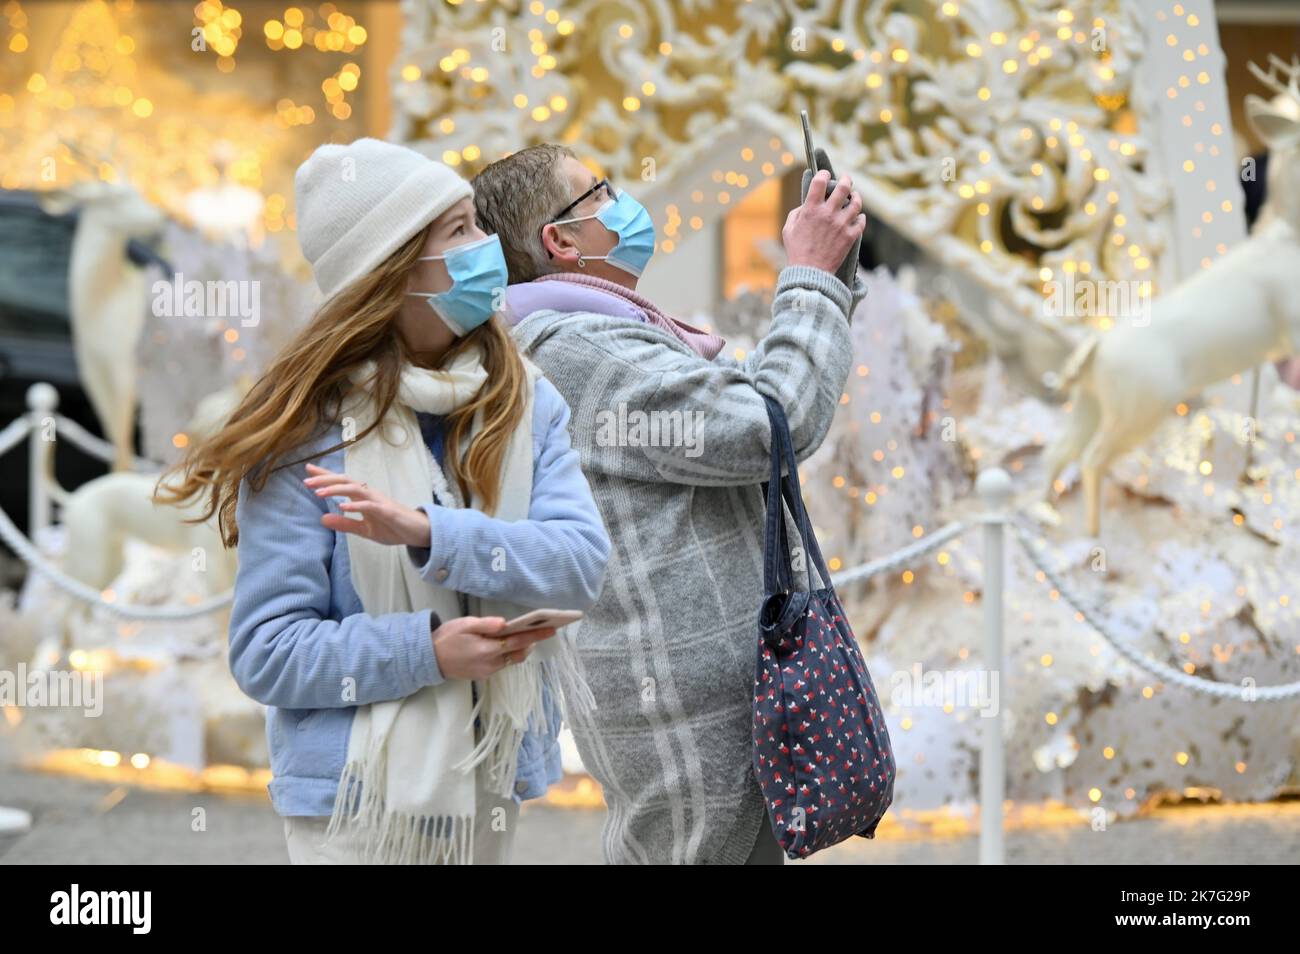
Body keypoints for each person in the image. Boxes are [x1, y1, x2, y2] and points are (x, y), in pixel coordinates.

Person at [158, 138, 610, 864]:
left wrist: (431, 532)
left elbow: (581, 565)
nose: (488, 245)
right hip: (354, 809)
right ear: (394, 271)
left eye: (479, 225)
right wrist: (427, 653)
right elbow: (267, 653)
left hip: (488, 783)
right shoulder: (306, 431)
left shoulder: (525, 401)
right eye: (459, 230)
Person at [470, 143, 867, 863]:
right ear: (560, 241)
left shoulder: (611, 330)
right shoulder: (574, 348)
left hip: (713, 697)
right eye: (600, 190)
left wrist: (829, 273)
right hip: (679, 711)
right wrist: (809, 278)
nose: (624, 202)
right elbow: (773, 421)